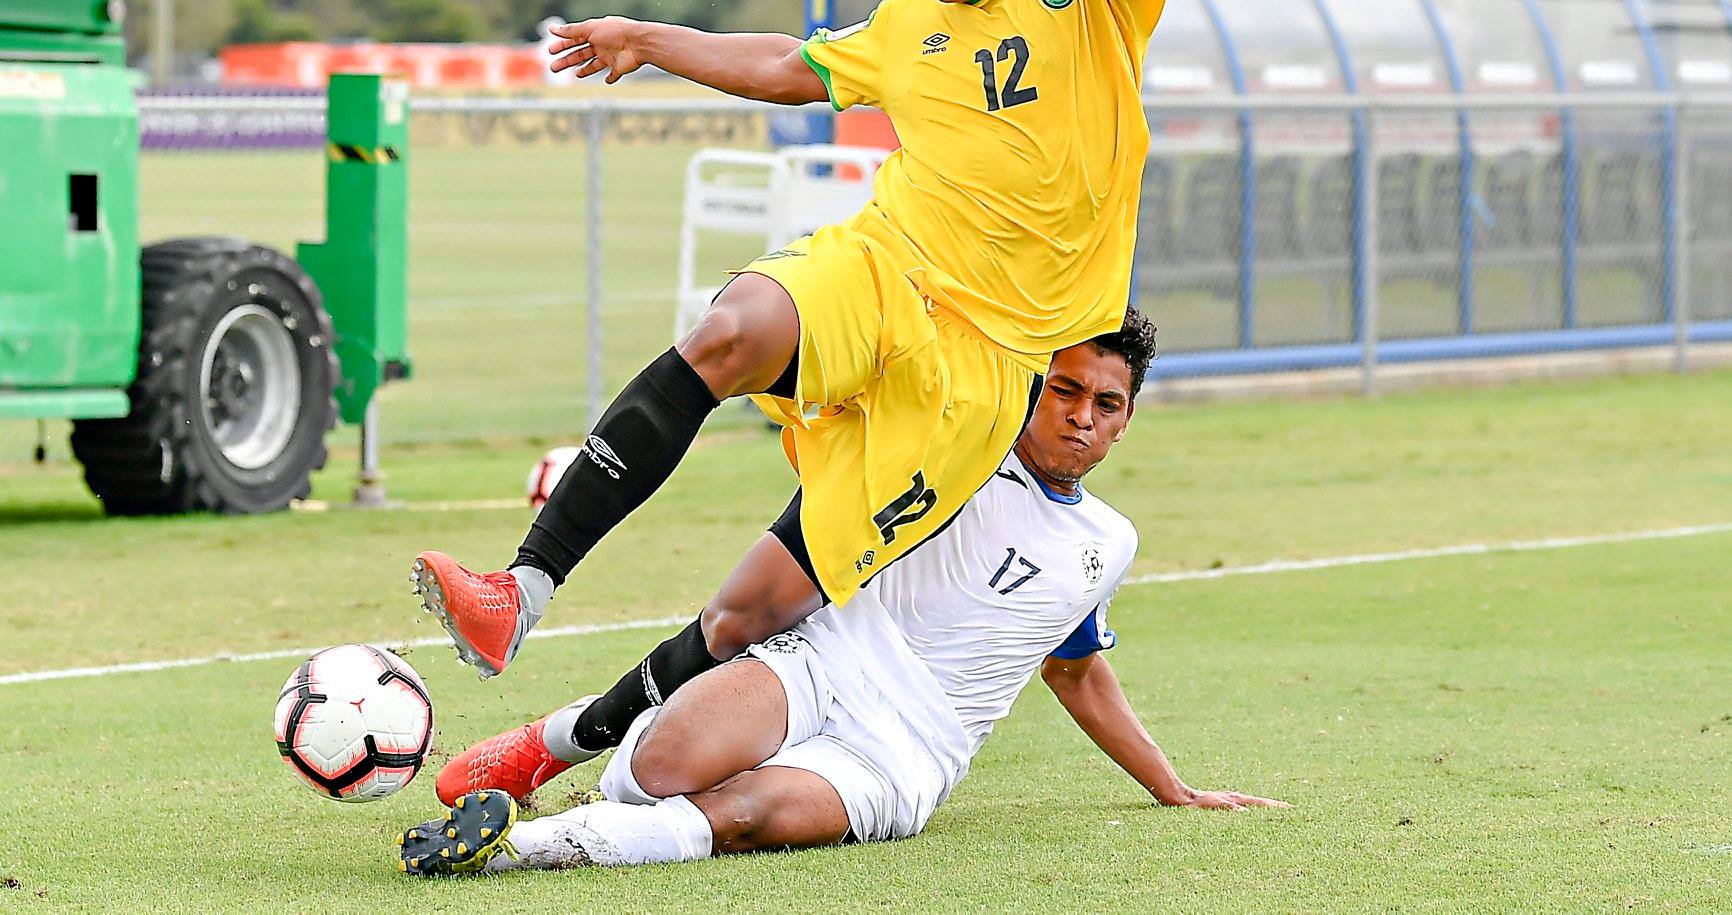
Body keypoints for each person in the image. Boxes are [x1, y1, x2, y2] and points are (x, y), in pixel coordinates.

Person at [411, 0, 1184, 771]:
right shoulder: (906, 26)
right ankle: (519, 591)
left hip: (984, 369)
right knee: (732, 329)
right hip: (887, 269)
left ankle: (551, 746)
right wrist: (646, 39)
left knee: (749, 612)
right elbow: (788, 65)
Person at [399, 312, 1285, 877]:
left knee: (744, 813)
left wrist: (1174, 786)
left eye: (1107, 402)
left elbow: (1077, 670)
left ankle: (512, 846)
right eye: (1065, 389)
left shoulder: (1108, 542)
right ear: (1031, 385)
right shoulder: (956, 448)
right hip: (827, 657)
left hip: (910, 751)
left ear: (1128, 417)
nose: (1082, 415)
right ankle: (563, 741)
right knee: (659, 768)